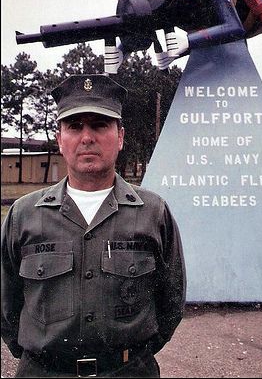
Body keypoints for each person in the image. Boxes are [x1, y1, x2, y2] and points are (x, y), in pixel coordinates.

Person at [1, 73, 186, 378]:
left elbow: (171, 302)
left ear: (121, 136)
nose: (87, 137)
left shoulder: (154, 212)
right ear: (60, 139)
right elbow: (6, 306)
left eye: (100, 124)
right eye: (74, 126)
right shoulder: (24, 214)